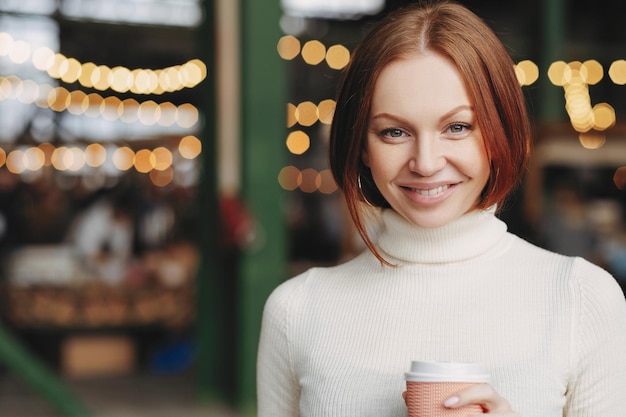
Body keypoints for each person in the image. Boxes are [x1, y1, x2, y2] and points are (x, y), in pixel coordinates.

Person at [256, 1, 626, 416]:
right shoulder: (297, 311)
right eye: (394, 132)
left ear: (498, 131)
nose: (426, 162)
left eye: (457, 127)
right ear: (362, 146)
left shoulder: (582, 299)